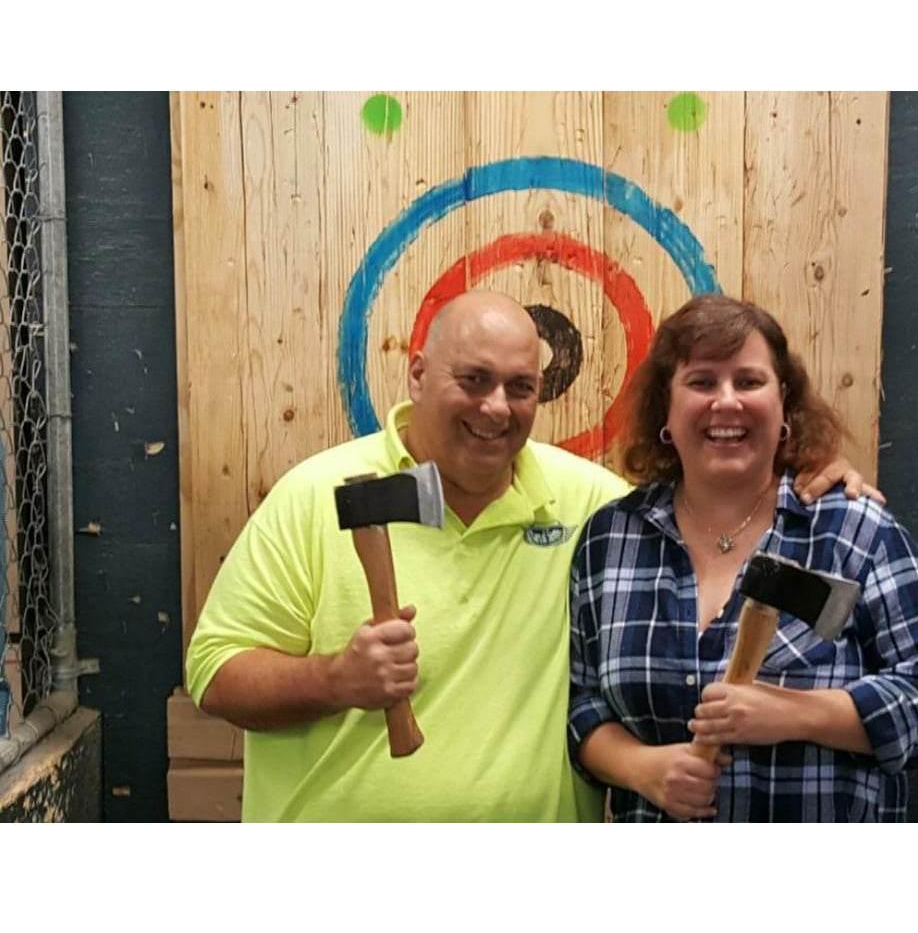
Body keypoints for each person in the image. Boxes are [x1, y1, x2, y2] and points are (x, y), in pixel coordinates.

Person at [186, 290, 877, 822]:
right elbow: (214, 673)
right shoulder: (318, 495)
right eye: (474, 379)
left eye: (520, 387)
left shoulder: (593, 512)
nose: (496, 407)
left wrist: (812, 469)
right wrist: (334, 678)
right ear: (418, 373)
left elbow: (715, 490)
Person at [567, 294, 918, 822]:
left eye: (749, 381)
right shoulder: (610, 540)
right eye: (701, 382)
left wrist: (794, 713)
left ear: (783, 402)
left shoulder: (852, 531)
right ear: (664, 409)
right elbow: (582, 702)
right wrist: (642, 768)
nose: (727, 402)